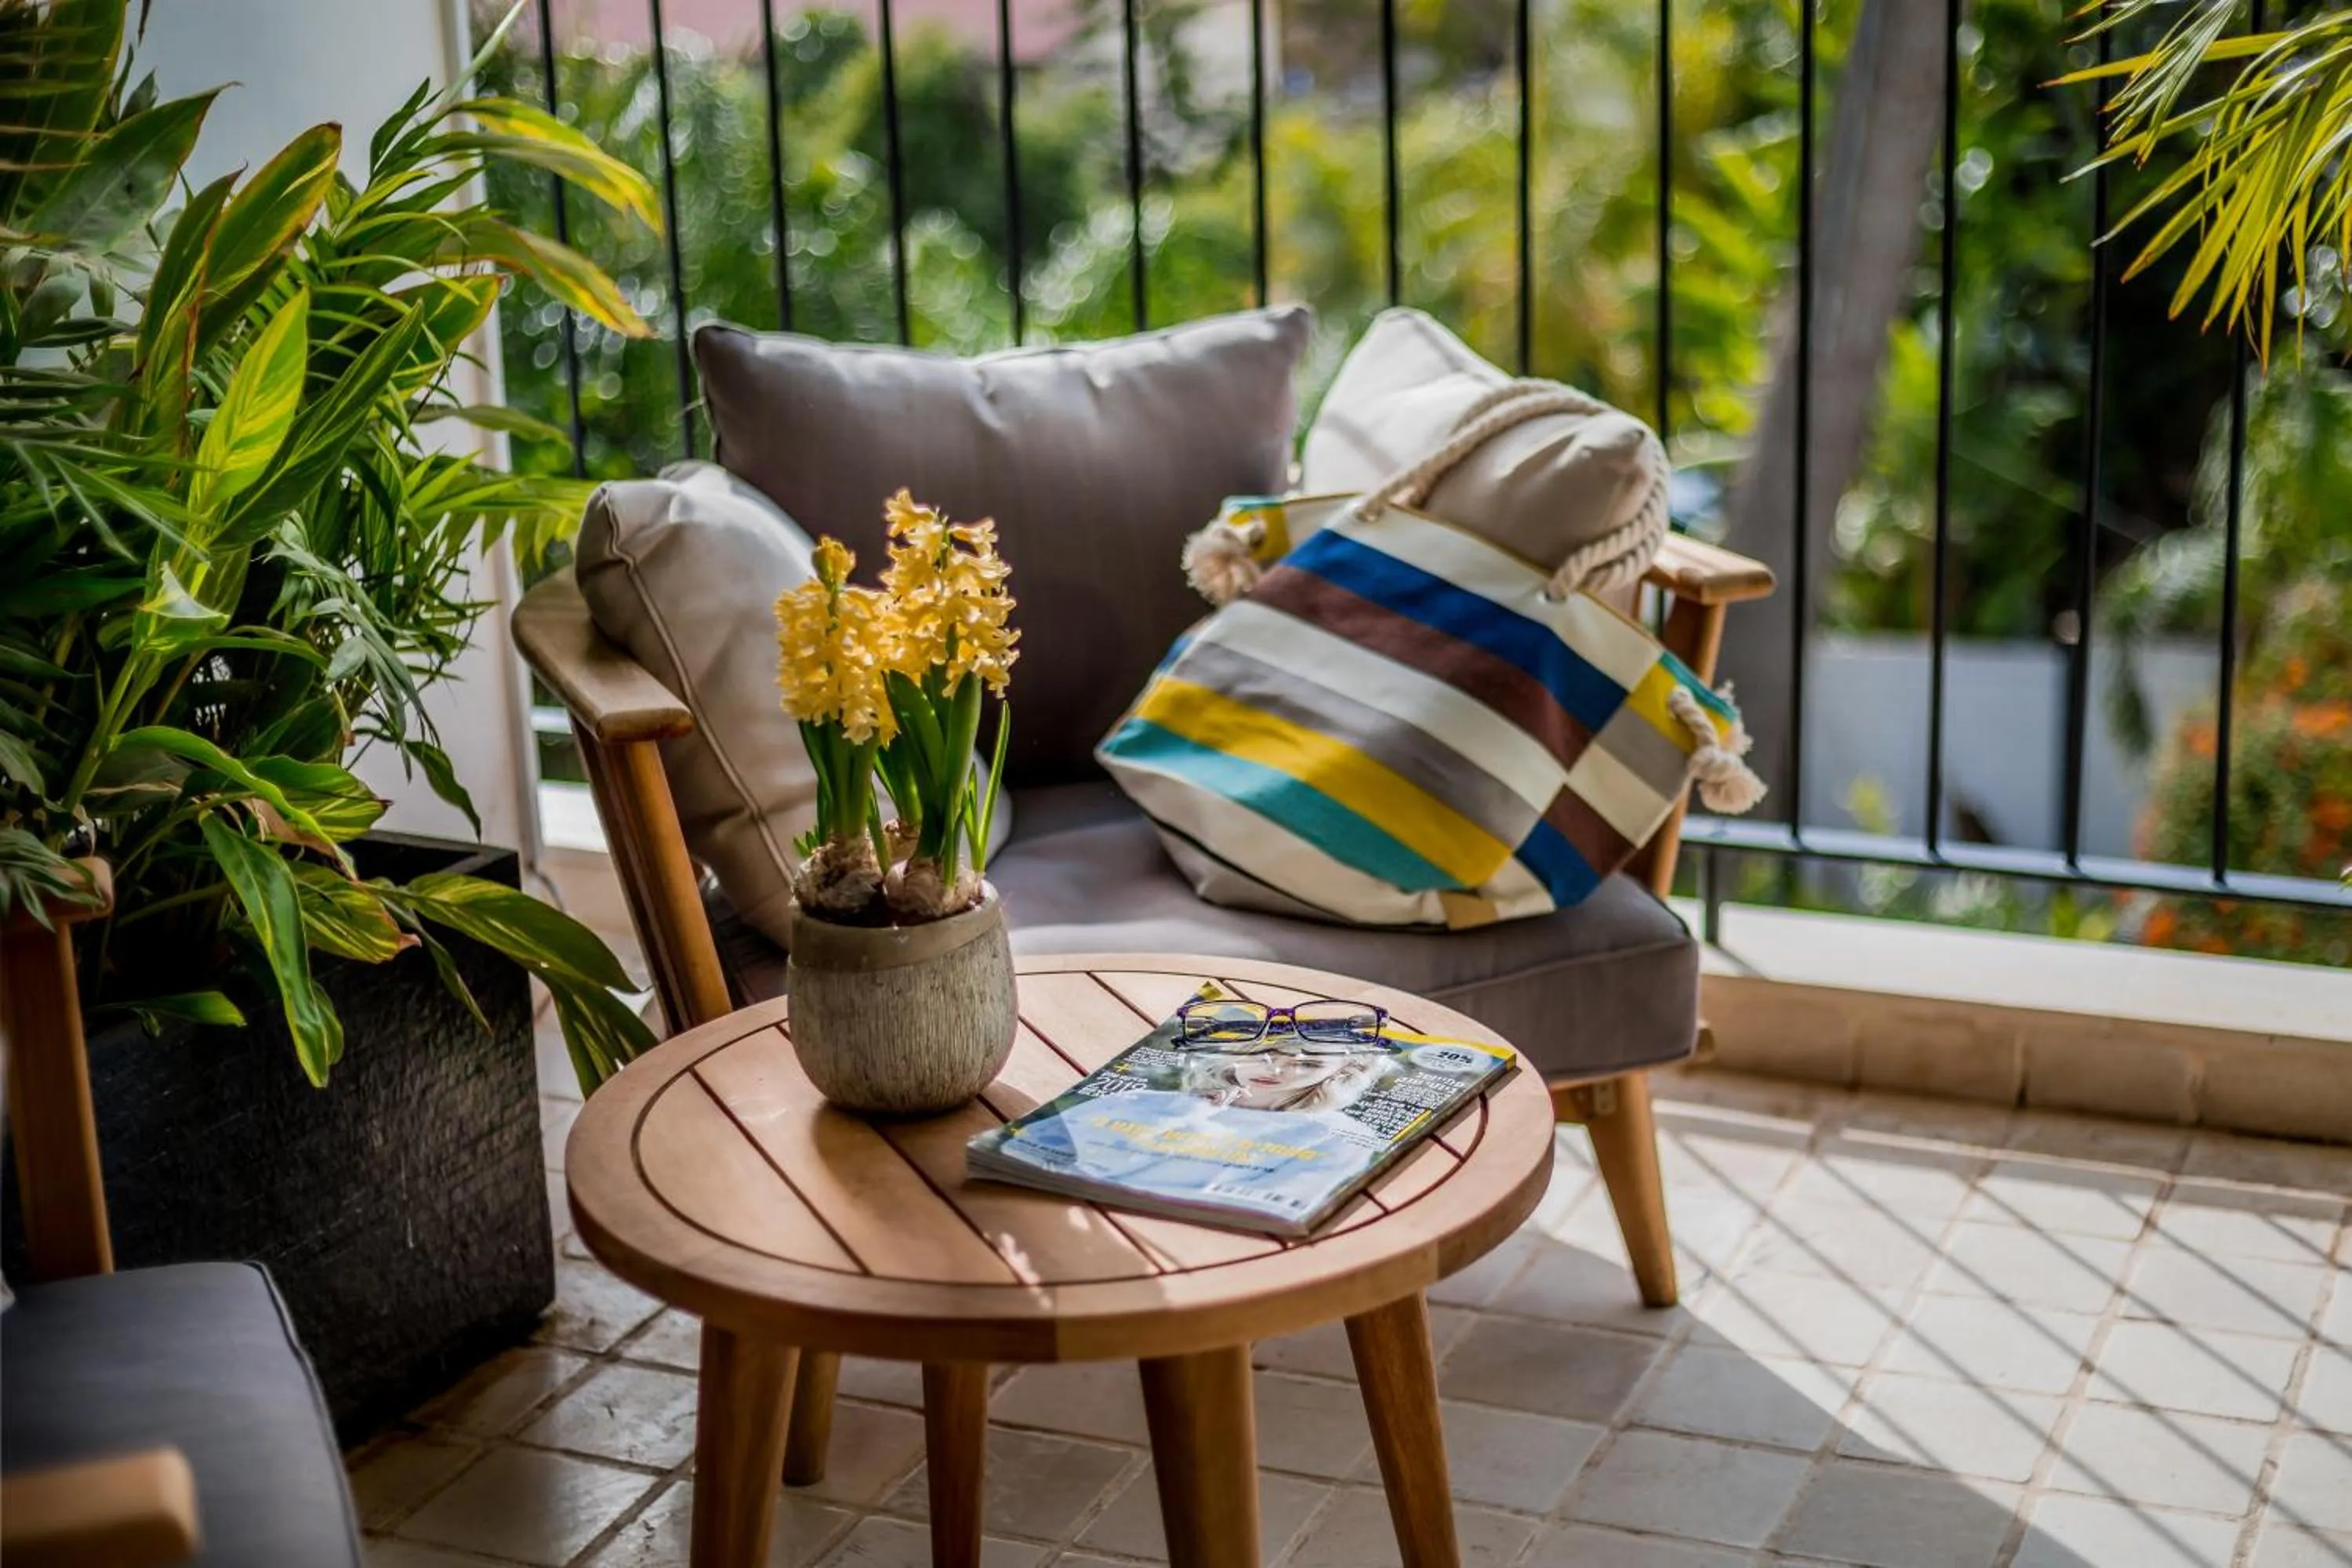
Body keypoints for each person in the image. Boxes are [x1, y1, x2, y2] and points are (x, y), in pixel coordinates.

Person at [1181, 1047, 1393, 1113]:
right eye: (1267, 1054)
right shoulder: (1187, 1099)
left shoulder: (1328, 1133)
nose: (1275, 1068)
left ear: (1341, 1072)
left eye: (1308, 1064)